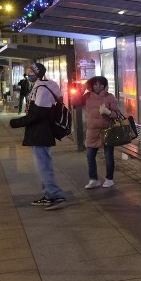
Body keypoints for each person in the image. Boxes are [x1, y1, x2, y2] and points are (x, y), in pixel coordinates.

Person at [9, 63, 66, 209]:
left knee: (43, 167)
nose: (27, 75)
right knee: (43, 165)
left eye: (30, 72)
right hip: (39, 132)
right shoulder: (40, 87)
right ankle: (49, 194)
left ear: (37, 73)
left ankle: (54, 195)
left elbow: (37, 115)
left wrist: (16, 123)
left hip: (41, 132)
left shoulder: (42, 89)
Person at [80, 75, 121, 188]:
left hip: (107, 131)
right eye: (94, 84)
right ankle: (93, 179)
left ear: (104, 86)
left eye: (100, 84)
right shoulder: (87, 96)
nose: (97, 86)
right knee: (90, 155)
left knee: (108, 156)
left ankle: (109, 178)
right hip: (92, 131)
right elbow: (74, 102)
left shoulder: (110, 97)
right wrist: (82, 90)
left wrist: (108, 112)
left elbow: (117, 114)